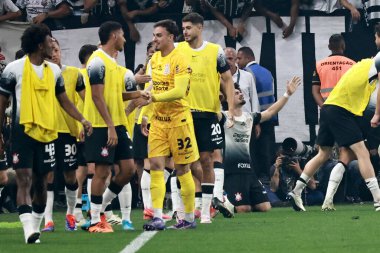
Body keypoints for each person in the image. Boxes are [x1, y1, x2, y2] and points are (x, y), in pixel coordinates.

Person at [0, 24, 92, 244]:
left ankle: (37, 221)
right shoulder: (13, 69)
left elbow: (64, 100)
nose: (54, 45)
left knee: (41, 184)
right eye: (51, 41)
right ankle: (29, 230)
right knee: (24, 179)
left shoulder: (55, 72)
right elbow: (1, 104)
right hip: (22, 132)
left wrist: (82, 118)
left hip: (48, 133)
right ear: (40, 45)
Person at [287, 50, 380, 212]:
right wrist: (377, 114)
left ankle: (296, 191)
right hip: (340, 111)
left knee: (323, 154)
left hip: (328, 108)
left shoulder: (361, 67)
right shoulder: (371, 67)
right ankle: (378, 200)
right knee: (362, 153)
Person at [83, 21, 149, 233]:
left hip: (117, 122)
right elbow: (96, 96)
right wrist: (110, 126)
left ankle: (99, 208)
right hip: (103, 124)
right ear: (113, 36)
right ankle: (94, 221)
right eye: (122, 35)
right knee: (102, 171)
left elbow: (114, 96)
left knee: (128, 169)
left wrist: (139, 93)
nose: (125, 39)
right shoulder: (97, 61)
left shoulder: (112, 62)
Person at [178, 12, 235, 223]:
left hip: (208, 114)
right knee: (183, 162)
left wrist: (229, 109)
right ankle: (183, 209)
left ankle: (205, 212)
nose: (185, 31)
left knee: (206, 160)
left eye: (188, 28)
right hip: (182, 114)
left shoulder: (215, 51)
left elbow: (227, 79)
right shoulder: (177, 49)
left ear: (200, 28)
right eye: (183, 28)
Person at [213, 77, 300, 216]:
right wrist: (217, 95)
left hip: (249, 171)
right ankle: (220, 200)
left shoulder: (249, 117)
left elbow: (271, 112)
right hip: (232, 172)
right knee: (243, 209)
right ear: (227, 99)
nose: (241, 94)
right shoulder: (223, 117)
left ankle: (229, 201)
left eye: (240, 92)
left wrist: (287, 94)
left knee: (265, 207)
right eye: (236, 93)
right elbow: (209, 110)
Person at [143, 19, 198, 231]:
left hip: (179, 120)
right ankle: (157, 216)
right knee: (155, 165)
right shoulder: (154, 59)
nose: (154, 39)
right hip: (158, 121)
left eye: (158, 35)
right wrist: (146, 114)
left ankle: (188, 217)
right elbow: (150, 87)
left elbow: (179, 91)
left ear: (170, 37)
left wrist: (154, 99)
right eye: (154, 35)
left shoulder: (180, 59)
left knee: (183, 169)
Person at [41, 38, 85, 232]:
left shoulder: (74, 74)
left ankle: (70, 214)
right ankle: (48, 220)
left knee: (69, 175)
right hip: (47, 132)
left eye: (56, 49)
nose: (53, 53)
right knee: (47, 175)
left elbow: (86, 100)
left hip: (69, 132)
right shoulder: (40, 75)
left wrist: (84, 122)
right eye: (50, 50)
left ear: (60, 51)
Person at [236, 46, 276, 182]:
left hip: (257, 117)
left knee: (255, 151)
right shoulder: (267, 72)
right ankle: (267, 178)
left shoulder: (247, 73)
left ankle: (257, 179)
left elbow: (252, 98)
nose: (237, 62)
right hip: (270, 116)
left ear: (248, 58)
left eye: (239, 58)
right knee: (267, 150)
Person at [312, 34, 355, 107]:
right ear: (343, 46)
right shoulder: (353, 65)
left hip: (328, 110)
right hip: (347, 110)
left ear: (329, 47)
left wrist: (324, 108)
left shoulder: (319, 65)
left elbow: (315, 91)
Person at [224, 47, 259, 113]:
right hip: (227, 119)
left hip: (246, 119)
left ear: (236, 60)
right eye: (225, 59)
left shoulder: (247, 76)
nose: (227, 61)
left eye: (230, 58)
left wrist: (256, 120)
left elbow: (254, 100)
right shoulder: (218, 78)